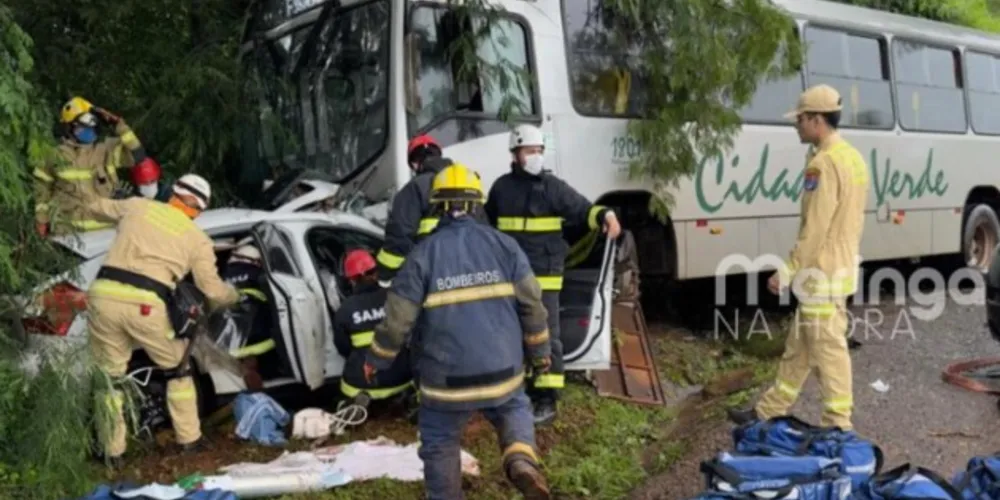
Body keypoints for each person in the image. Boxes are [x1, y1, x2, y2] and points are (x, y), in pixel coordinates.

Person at [365, 163, 552, 500]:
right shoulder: (505, 246)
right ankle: (521, 459)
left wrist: (375, 360)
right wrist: (541, 353)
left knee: (439, 440)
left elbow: (397, 321)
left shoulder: (421, 256)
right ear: (476, 204)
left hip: (445, 383)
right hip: (503, 373)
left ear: (436, 206)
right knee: (514, 407)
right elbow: (533, 307)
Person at [727, 84, 869, 431]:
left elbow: (815, 228)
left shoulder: (823, 164)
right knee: (800, 348)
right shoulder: (852, 157)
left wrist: (787, 270)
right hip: (837, 269)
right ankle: (769, 411)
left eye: (802, 119)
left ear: (818, 120)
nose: (797, 125)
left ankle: (839, 425)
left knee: (828, 351)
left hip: (820, 273)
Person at [83, 173, 241, 466]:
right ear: (198, 210)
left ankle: (112, 452)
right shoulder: (198, 239)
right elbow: (212, 290)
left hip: (102, 297)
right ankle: (189, 440)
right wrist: (236, 295)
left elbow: (95, 206)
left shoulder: (137, 206)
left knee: (110, 380)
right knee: (177, 370)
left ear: (173, 193)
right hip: (145, 304)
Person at [484, 124, 622, 425]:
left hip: (545, 276)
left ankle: (546, 398)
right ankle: (514, 390)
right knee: (509, 333)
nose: (536, 156)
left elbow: (584, 209)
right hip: (510, 275)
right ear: (516, 153)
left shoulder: (552, 187)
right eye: (530, 151)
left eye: (539, 151)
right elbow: (486, 226)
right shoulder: (501, 189)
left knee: (546, 336)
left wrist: (606, 215)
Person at [34, 96, 149, 236]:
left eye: (92, 123)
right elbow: (41, 190)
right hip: (68, 235)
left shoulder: (107, 150)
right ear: (70, 126)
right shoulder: (53, 155)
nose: (90, 128)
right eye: (84, 125)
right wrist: (42, 220)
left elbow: (137, 154)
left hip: (106, 233)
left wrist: (119, 125)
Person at [333, 249, 413, 405]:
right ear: (376, 273)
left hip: (364, 383)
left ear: (351, 280)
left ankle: (354, 403)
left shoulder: (346, 309)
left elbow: (343, 348)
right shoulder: (395, 298)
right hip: (402, 378)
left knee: (353, 368)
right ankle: (403, 397)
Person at [374, 134, 454, 286]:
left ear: (415, 164)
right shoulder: (467, 183)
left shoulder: (414, 189)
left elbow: (400, 238)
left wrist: (382, 274)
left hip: (433, 276)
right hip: (470, 271)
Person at [219, 244, 278, 389]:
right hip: (258, 337)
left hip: (228, 337)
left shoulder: (222, 275)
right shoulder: (258, 275)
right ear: (256, 261)